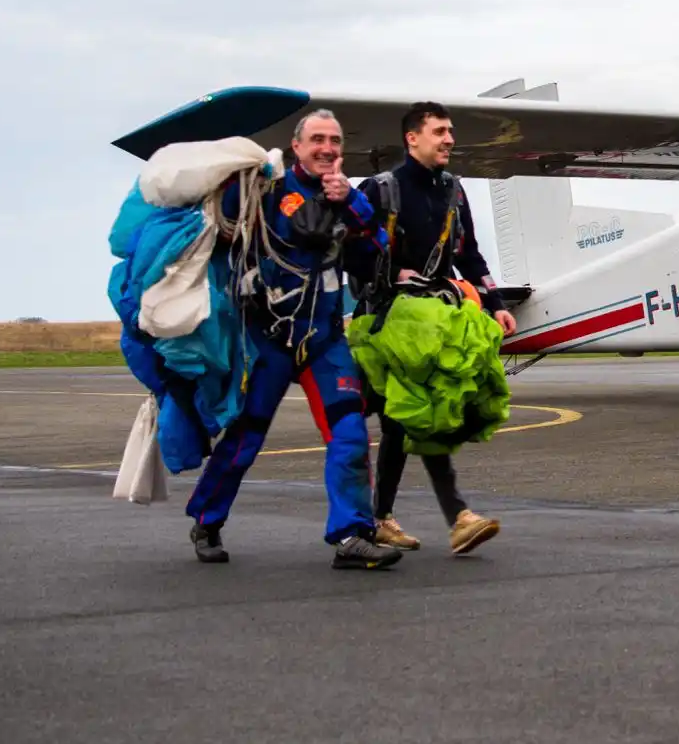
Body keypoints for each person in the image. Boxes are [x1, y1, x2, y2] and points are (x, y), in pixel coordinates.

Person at [183, 108, 403, 570]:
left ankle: (350, 535)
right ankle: (207, 520)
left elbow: (376, 246)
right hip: (270, 337)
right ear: (297, 146)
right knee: (245, 438)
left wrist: (350, 203)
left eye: (336, 141)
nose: (327, 148)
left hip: (324, 339)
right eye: (318, 139)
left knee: (350, 434)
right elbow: (221, 222)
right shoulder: (268, 187)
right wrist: (236, 177)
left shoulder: (347, 196)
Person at [350, 101, 514, 555]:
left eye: (450, 131)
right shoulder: (379, 190)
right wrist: (389, 273)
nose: (449, 139)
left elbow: (471, 254)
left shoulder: (454, 192)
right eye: (440, 131)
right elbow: (350, 253)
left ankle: (387, 517)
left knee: (410, 419)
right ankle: (451, 515)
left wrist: (495, 302)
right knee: (404, 418)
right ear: (412, 137)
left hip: (436, 322)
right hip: (389, 325)